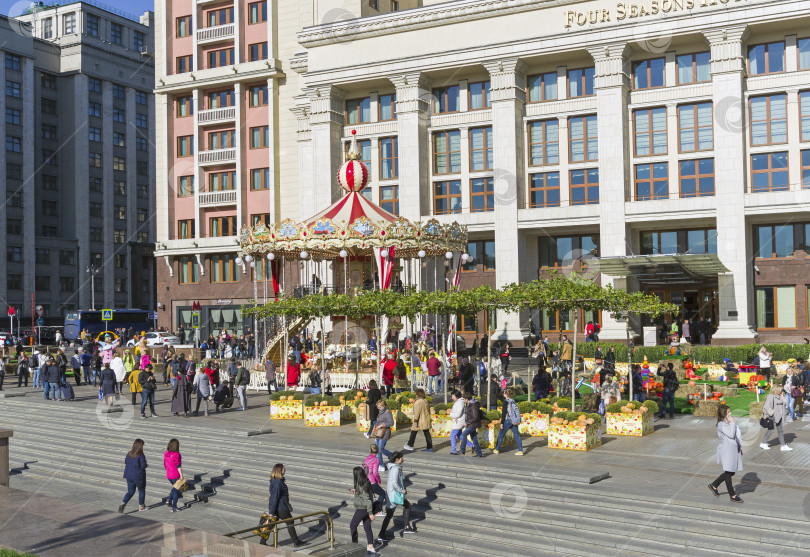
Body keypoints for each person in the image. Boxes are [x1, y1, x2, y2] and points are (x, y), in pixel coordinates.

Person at [376, 452, 415, 541]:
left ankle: (381, 534)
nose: (402, 459)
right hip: (394, 495)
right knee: (407, 506)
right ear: (397, 459)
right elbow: (394, 483)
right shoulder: (396, 469)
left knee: (389, 514)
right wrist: (402, 491)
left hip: (391, 495)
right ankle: (406, 527)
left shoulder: (393, 467)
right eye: (401, 457)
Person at [708, 406, 743, 503]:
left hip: (733, 449)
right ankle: (732, 495)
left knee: (731, 472)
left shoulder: (727, 423)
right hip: (727, 450)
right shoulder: (721, 424)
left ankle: (714, 485)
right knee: (728, 472)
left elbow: (735, 436)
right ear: (723, 414)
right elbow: (731, 435)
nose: (730, 414)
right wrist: (732, 423)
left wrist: (739, 447)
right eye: (728, 412)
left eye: (730, 412)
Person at [267, 463, 305, 547]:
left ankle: (262, 542)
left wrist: (272, 511)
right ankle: (296, 541)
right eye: (283, 468)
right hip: (281, 507)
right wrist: (271, 512)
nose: (285, 469)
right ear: (279, 470)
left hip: (278, 507)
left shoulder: (276, 481)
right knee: (290, 522)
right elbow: (274, 497)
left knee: (271, 525)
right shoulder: (277, 482)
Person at [349, 466, 377, 555]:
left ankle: (355, 546)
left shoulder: (362, 486)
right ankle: (371, 547)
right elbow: (366, 495)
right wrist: (356, 491)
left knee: (353, 525)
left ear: (357, 475)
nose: (352, 475)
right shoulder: (364, 483)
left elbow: (368, 501)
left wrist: (370, 513)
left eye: (353, 474)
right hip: (365, 508)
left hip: (362, 509)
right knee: (367, 527)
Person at [119, 438, 148, 513]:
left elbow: (126, 462)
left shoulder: (129, 453)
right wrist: (146, 464)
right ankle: (141, 506)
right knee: (141, 491)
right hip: (138, 476)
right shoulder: (140, 455)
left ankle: (123, 503)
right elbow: (143, 466)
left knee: (130, 492)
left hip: (129, 476)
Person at [760, 384, 792, 451]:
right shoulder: (771, 396)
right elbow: (766, 407)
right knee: (771, 430)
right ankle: (763, 443)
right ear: (776, 390)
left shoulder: (780, 396)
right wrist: (772, 414)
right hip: (773, 417)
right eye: (780, 390)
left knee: (780, 430)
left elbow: (785, 403)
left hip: (780, 416)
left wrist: (782, 396)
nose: (781, 391)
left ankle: (783, 445)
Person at [493, 388, 524, 456]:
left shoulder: (505, 401)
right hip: (514, 420)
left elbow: (504, 413)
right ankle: (520, 450)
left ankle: (497, 449)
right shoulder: (513, 401)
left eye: (504, 393)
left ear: (506, 394)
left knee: (501, 434)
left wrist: (502, 423)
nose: (503, 394)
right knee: (516, 435)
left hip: (508, 420)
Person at [460, 391, 484, 457]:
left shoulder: (473, 405)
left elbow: (475, 417)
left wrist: (467, 422)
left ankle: (462, 450)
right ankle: (479, 453)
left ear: (467, 399)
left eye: (464, 399)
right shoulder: (471, 404)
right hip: (472, 424)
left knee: (464, 434)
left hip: (472, 424)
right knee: (474, 439)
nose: (464, 401)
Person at [373, 399, 394, 469]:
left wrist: (382, 425)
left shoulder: (387, 413)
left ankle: (391, 456)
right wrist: (376, 425)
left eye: (380, 407)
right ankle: (381, 465)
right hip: (379, 433)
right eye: (378, 407)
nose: (378, 408)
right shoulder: (380, 412)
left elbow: (391, 423)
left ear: (384, 406)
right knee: (378, 450)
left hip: (385, 433)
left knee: (380, 449)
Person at [363, 445, 387, 510]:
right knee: (382, 493)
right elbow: (375, 472)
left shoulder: (367, 458)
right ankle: (378, 510)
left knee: (370, 495)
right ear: (378, 451)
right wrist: (378, 481)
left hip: (365, 480)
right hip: (372, 481)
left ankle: (369, 509)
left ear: (370, 450)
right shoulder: (376, 459)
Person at [164, 439, 184, 512]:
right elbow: (178, 466)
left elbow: (165, 464)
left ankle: (169, 499)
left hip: (168, 475)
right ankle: (174, 507)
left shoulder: (166, 453)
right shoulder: (177, 454)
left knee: (174, 487)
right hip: (175, 475)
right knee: (176, 491)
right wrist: (181, 475)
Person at [448, 390, 466, 455]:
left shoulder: (460, 403)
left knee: (452, 435)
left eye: (453, 396)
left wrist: (451, 414)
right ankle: (472, 445)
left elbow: (458, 414)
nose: (452, 397)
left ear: (457, 396)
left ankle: (453, 450)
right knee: (460, 436)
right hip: (458, 421)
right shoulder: (458, 402)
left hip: (459, 422)